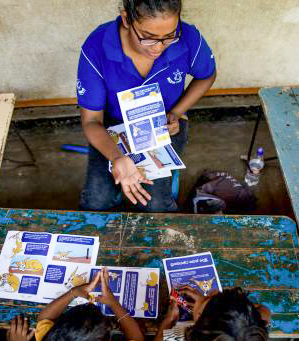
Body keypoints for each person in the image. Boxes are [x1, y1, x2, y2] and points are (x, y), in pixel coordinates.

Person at [77, 0, 216, 212]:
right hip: (111, 126)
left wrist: (176, 112)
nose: (159, 48)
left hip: (165, 123)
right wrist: (117, 158)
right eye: (149, 37)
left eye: (169, 36)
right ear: (126, 19)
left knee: (156, 206)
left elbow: (207, 75)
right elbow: (92, 121)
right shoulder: (98, 46)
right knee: (96, 202)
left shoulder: (188, 37)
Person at [18, 267, 144, 341]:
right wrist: (113, 303)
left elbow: (45, 317)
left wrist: (74, 292)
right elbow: (137, 340)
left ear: (55, 335)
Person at [147, 286, 271, 341]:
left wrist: (169, 320)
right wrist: (204, 304)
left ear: (198, 326)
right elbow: (265, 312)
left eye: (208, 298)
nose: (215, 290)